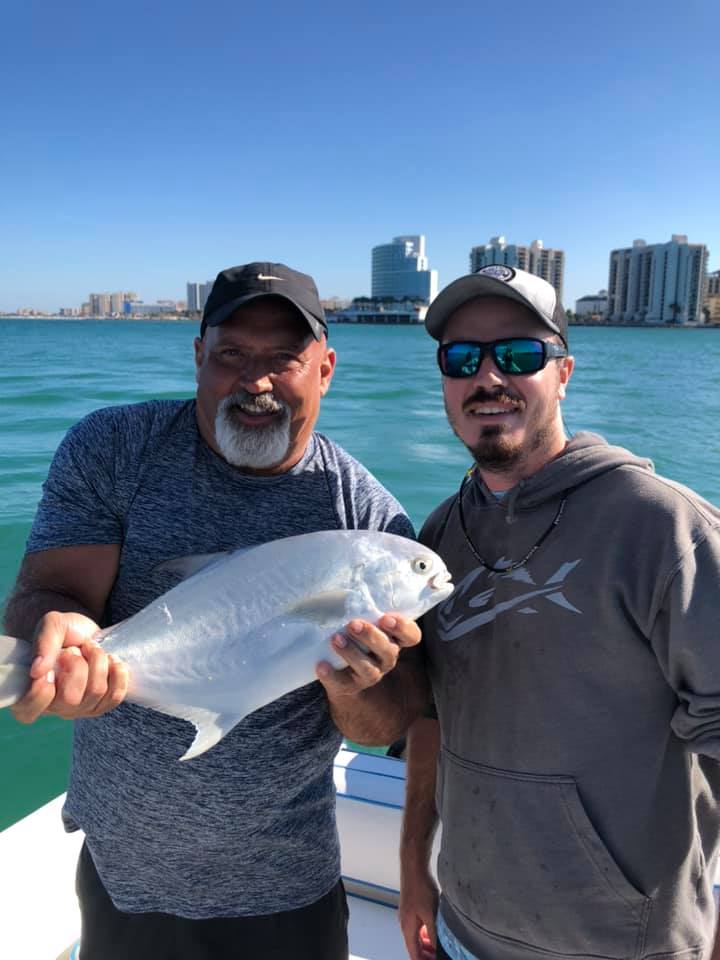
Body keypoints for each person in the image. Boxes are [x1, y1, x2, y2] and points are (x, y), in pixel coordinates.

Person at [4, 261, 427, 960]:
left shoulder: (366, 519)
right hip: (122, 875)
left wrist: (362, 683)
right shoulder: (115, 449)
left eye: (283, 359)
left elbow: (385, 721)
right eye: (231, 354)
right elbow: (51, 595)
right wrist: (58, 640)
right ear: (199, 357)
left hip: (288, 890)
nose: (255, 381)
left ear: (325, 368)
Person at [389, 265, 720, 960]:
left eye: (519, 355)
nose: (488, 377)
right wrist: (413, 863)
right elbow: (430, 717)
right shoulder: (439, 538)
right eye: (461, 358)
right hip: (462, 932)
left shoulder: (664, 529)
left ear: (563, 372)